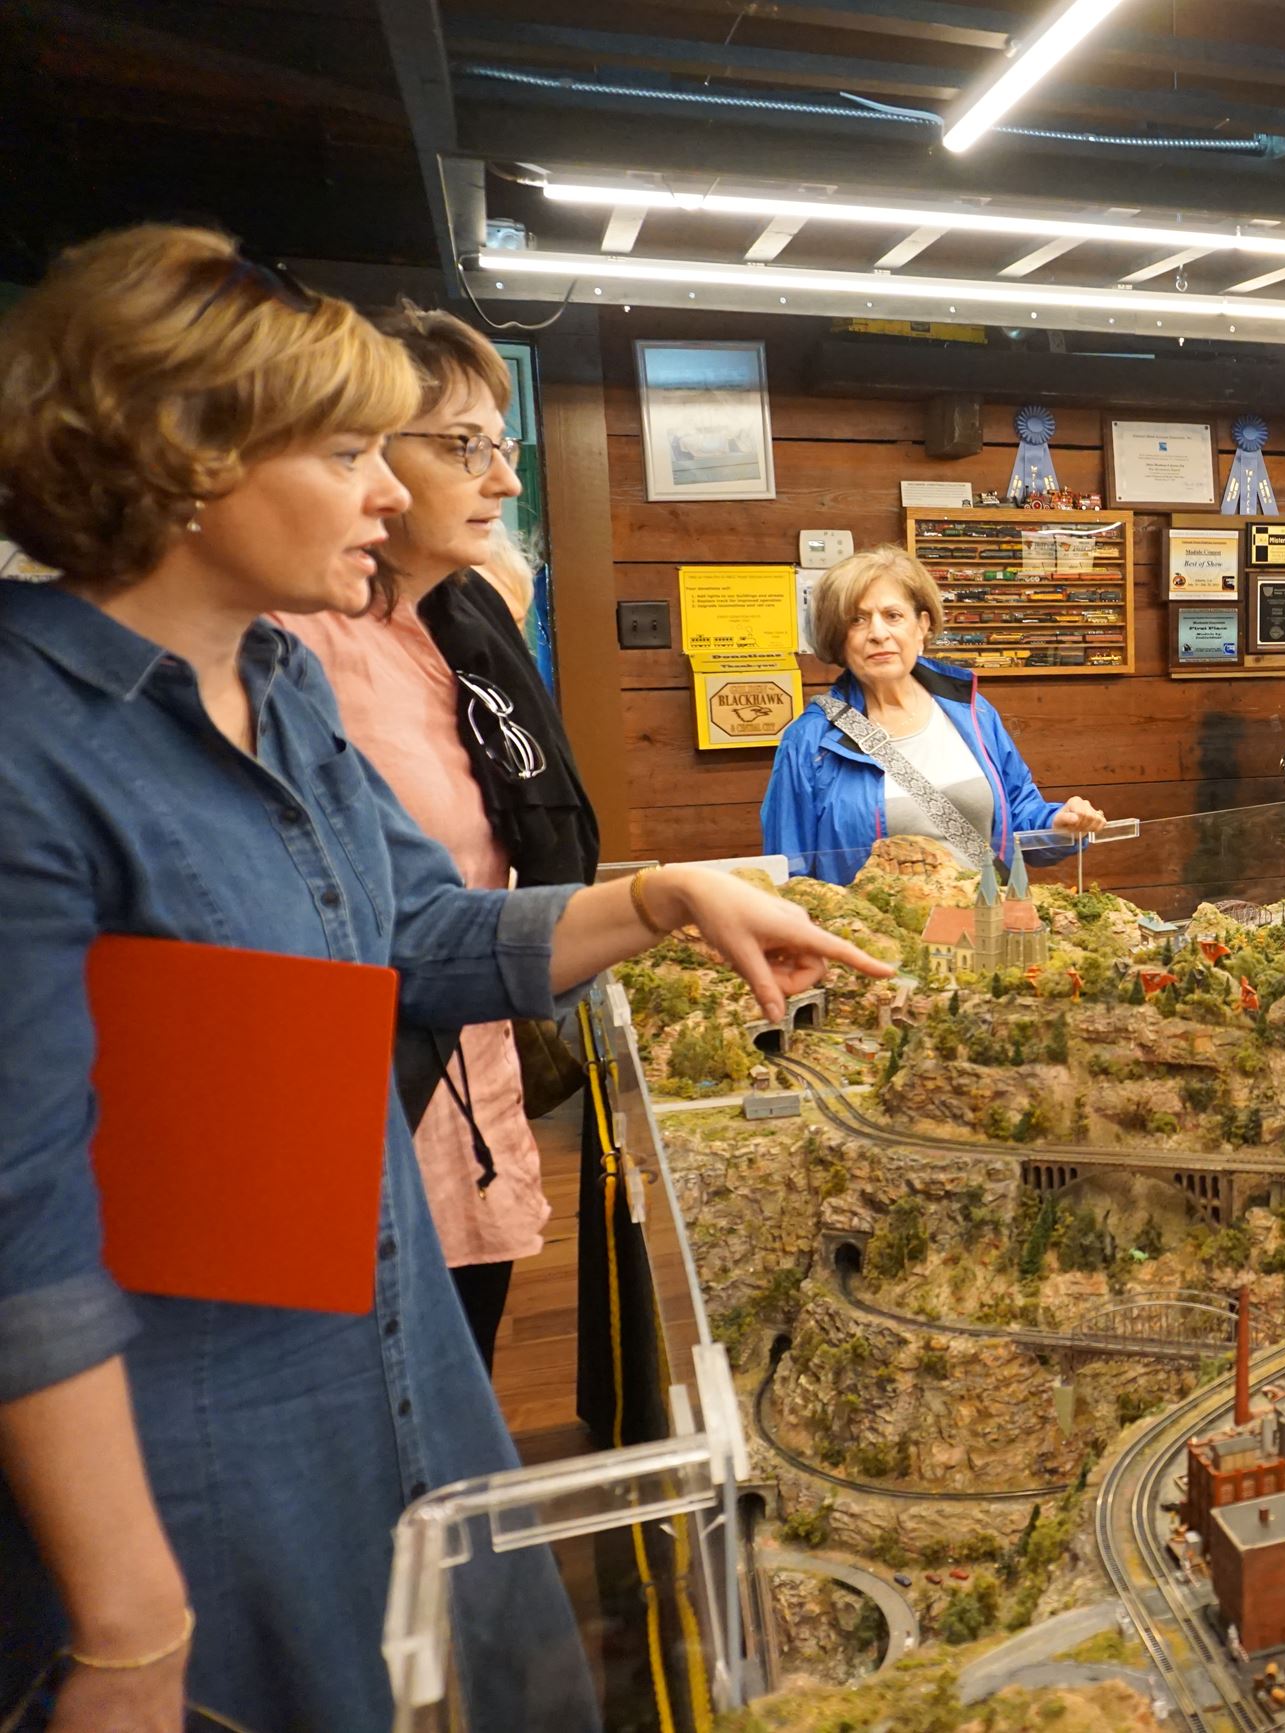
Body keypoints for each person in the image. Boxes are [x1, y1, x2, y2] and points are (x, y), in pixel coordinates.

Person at [0, 225, 883, 1733]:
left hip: (385, 1364)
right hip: (199, 1459)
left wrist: (661, 899)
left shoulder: (276, 686)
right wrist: (132, 1623)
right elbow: (26, 1245)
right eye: (349, 449)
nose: (395, 490)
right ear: (188, 454)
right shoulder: (34, 750)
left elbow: (415, 936)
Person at [277, 302, 597, 1369]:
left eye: (499, 447)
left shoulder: (459, 621)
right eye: (465, 447)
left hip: (465, 1086)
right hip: (329, 1124)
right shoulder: (282, 652)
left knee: (449, 1406)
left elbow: (442, 904)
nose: (503, 481)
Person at [762, 545, 1105, 877]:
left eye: (893, 615)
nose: (878, 633)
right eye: (857, 620)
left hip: (984, 926)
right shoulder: (811, 742)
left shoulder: (971, 713)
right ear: (838, 638)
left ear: (922, 625)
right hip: (876, 935)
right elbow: (790, 871)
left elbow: (1018, 814)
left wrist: (1058, 825)